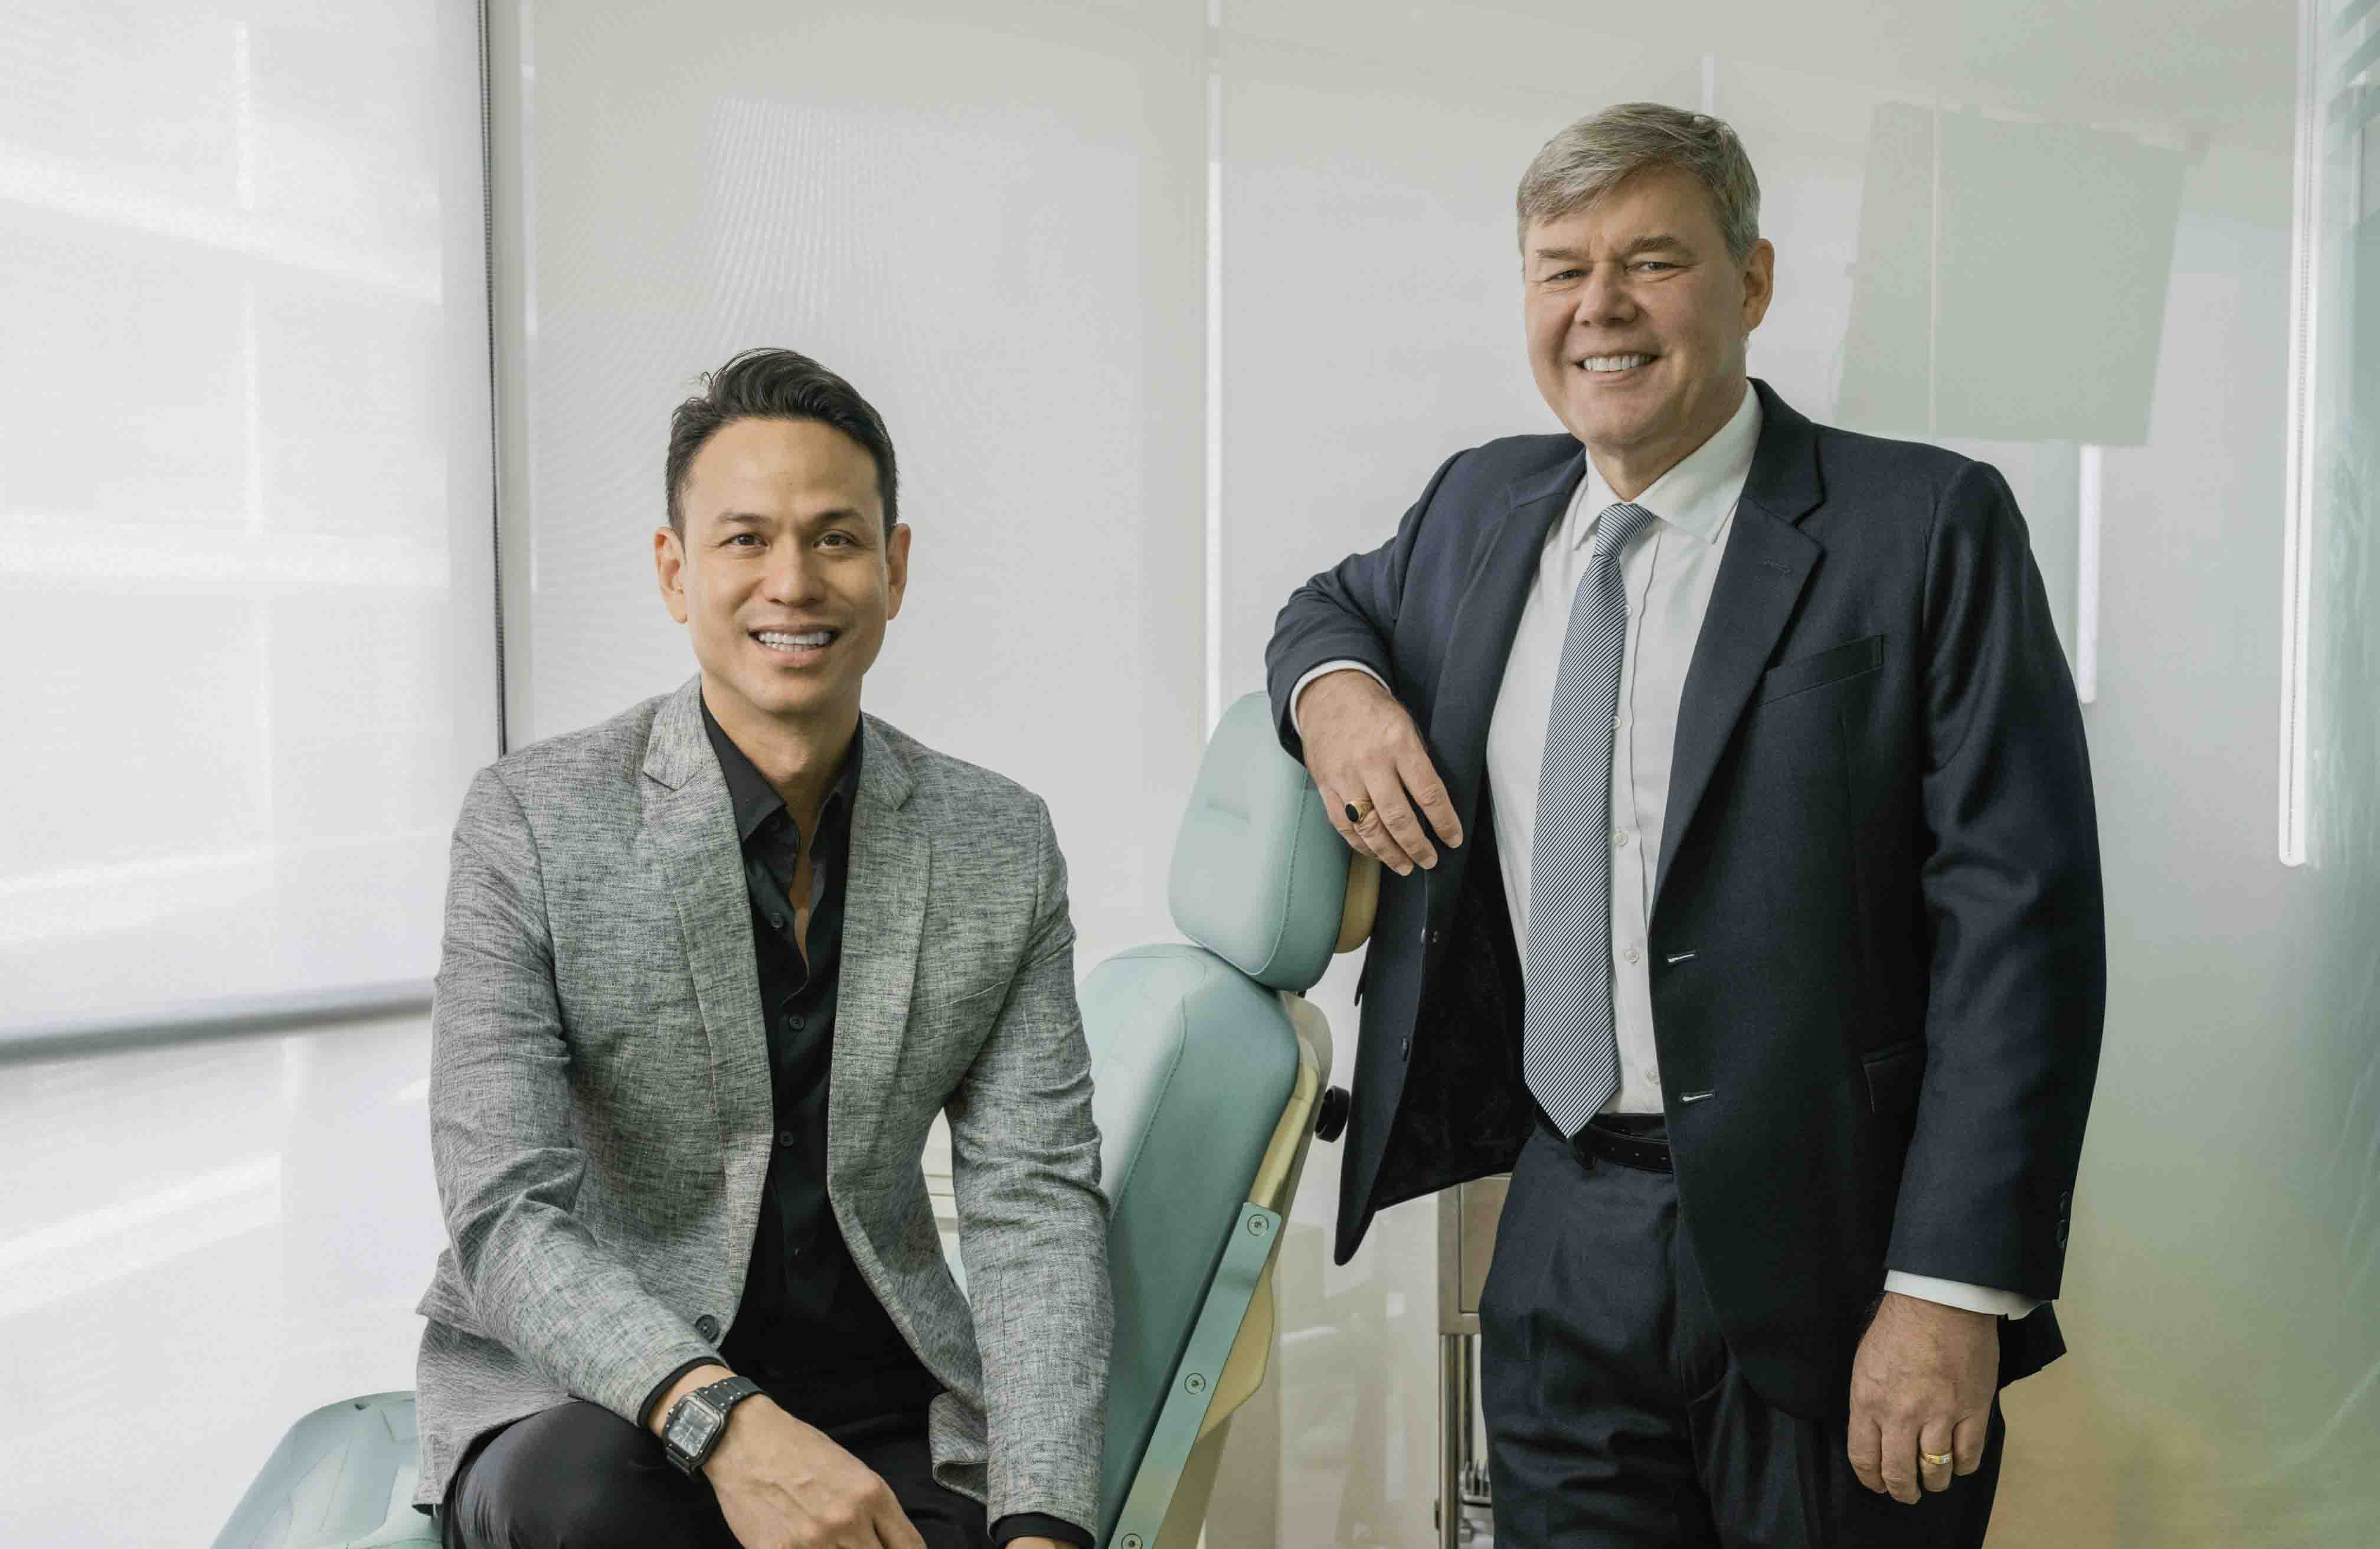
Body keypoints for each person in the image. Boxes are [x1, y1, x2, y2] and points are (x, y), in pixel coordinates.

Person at [1266, 103, 2104, 1547]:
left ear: (1753, 282)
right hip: (1562, 1229)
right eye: (1561, 268)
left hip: (1840, 1252)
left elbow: (2020, 932)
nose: (1600, 306)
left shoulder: (1925, 526)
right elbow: (1325, 608)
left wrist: (1948, 1291)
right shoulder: (1480, 506)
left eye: (1652, 261)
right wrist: (1337, 699)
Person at [411, 348, 1109, 1549]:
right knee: (592, 1522)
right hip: (597, 1398)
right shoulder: (531, 820)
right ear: (676, 571)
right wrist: (726, 1424)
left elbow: (1034, 1202)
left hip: (882, 1398)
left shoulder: (998, 843)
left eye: (837, 539)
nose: (794, 582)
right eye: (746, 540)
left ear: (894, 568)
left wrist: (1045, 1521)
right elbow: (503, 1209)